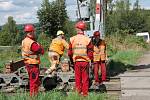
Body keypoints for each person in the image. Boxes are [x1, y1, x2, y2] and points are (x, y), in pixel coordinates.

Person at [68, 21, 93, 96]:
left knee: (77, 78)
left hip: (76, 62)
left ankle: (78, 93)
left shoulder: (72, 39)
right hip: (85, 62)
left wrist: (72, 61)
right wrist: (90, 60)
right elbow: (90, 52)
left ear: (78, 28)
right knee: (85, 78)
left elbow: (69, 53)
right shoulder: (87, 39)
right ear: (83, 29)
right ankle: (85, 94)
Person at [22, 24, 44, 96]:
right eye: (33, 32)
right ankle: (33, 96)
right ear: (31, 32)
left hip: (28, 63)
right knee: (34, 81)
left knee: (32, 80)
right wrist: (40, 47)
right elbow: (40, 50)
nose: (34, 33)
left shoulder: (25, 40)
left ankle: (33, 95)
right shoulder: (32, 43)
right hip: (33, 64)